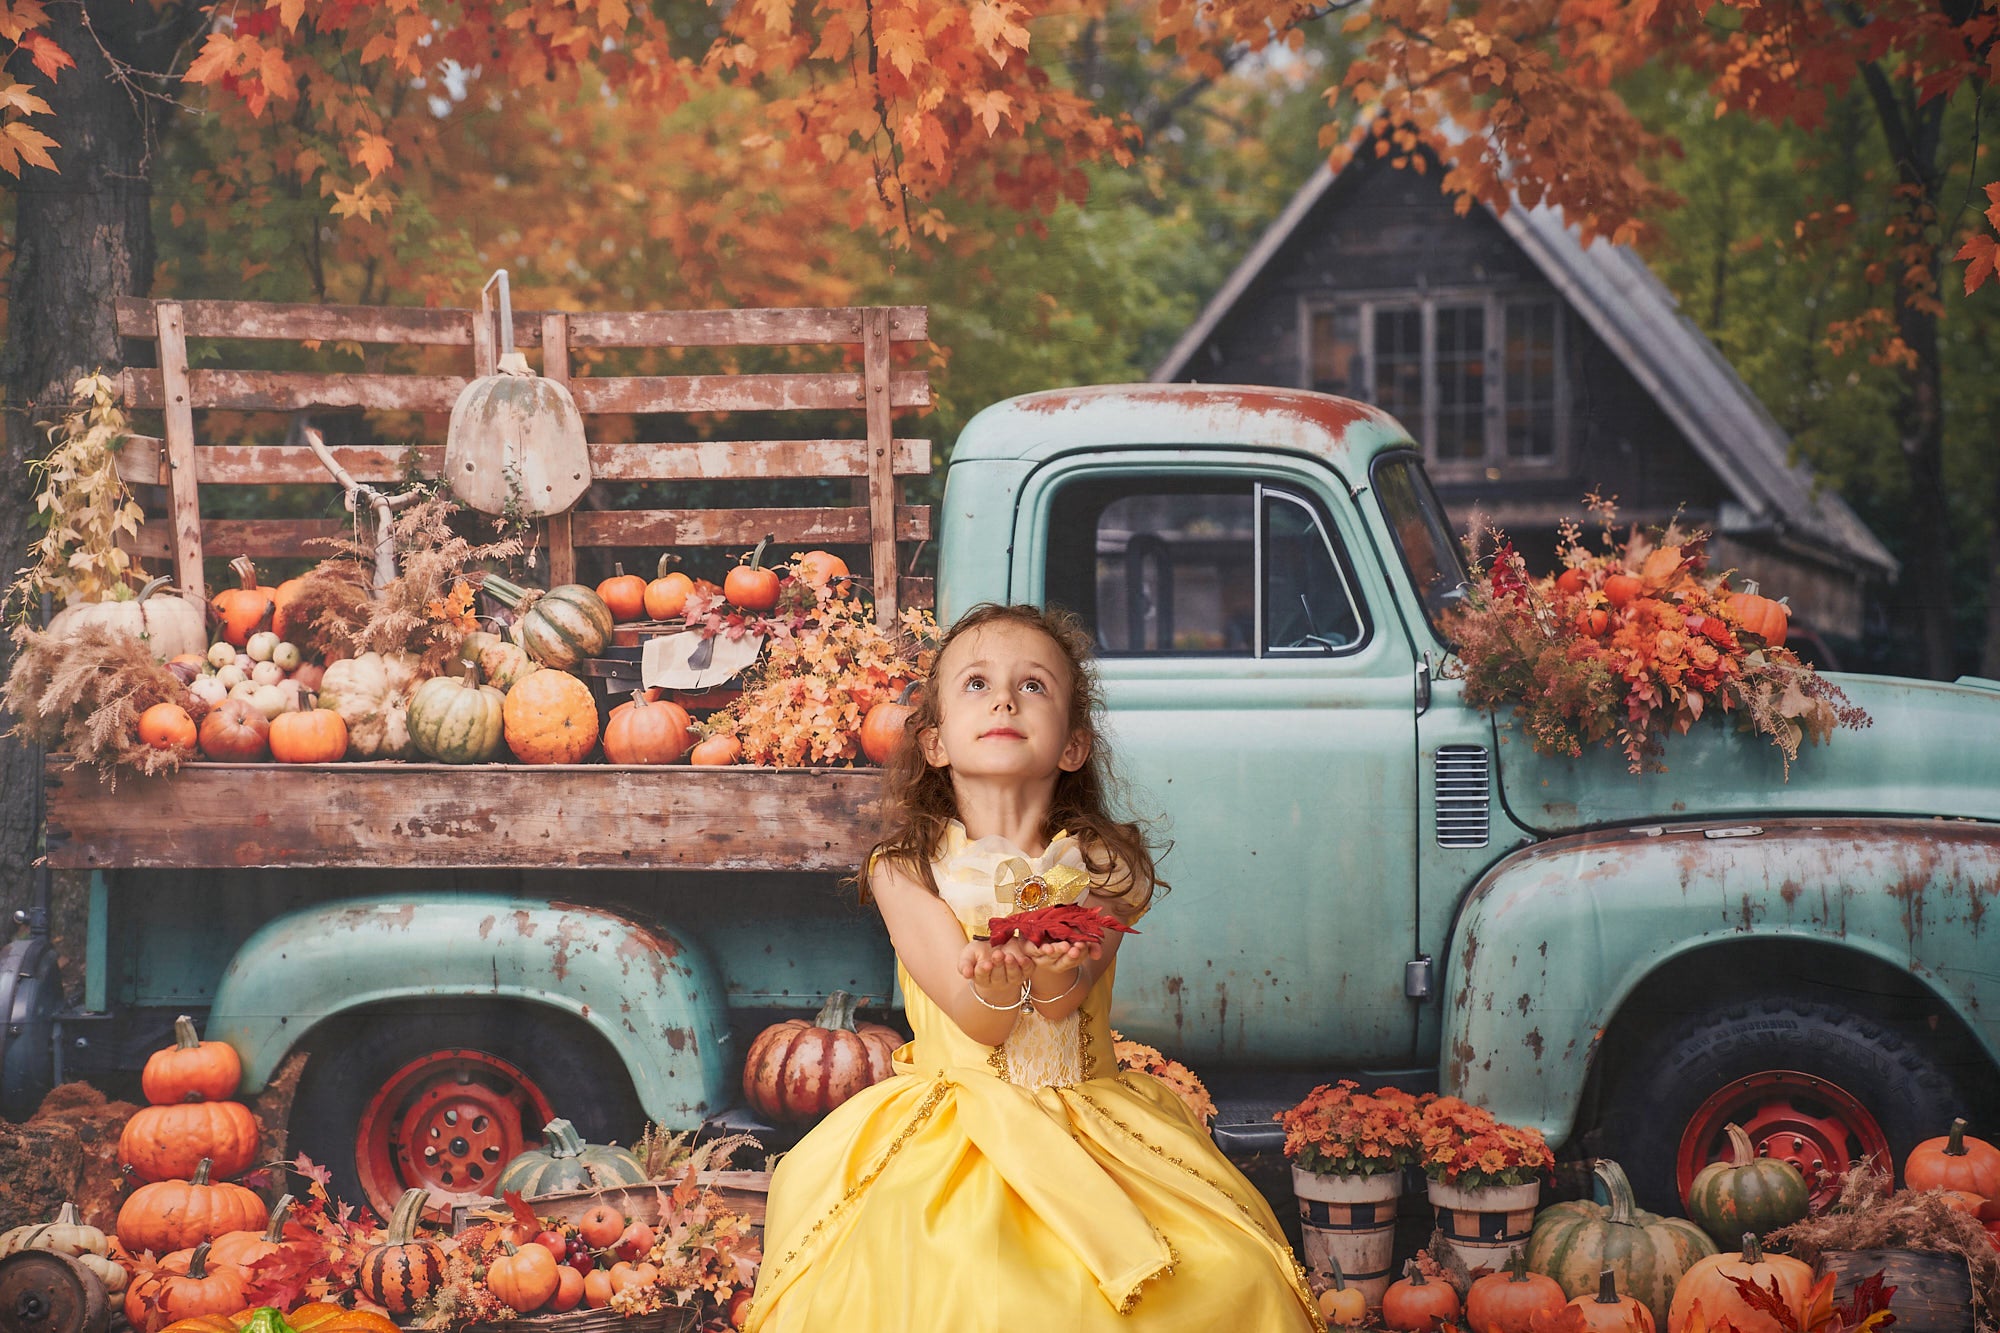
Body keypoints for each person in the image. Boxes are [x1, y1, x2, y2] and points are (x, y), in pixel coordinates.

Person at [746, 603, 1323, 1332]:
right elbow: (978, 1023)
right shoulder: (906, 869)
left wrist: (1053, 971)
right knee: (952, 1270)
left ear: (1074, 745)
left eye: (1035, 686)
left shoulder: (1108, 866)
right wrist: (992, 984)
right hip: (957, 1117)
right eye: (978, 684)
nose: (1006, 700)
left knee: (1225, 1272)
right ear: (935, 742)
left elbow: (1064, 1003)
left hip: (1087, 1107)